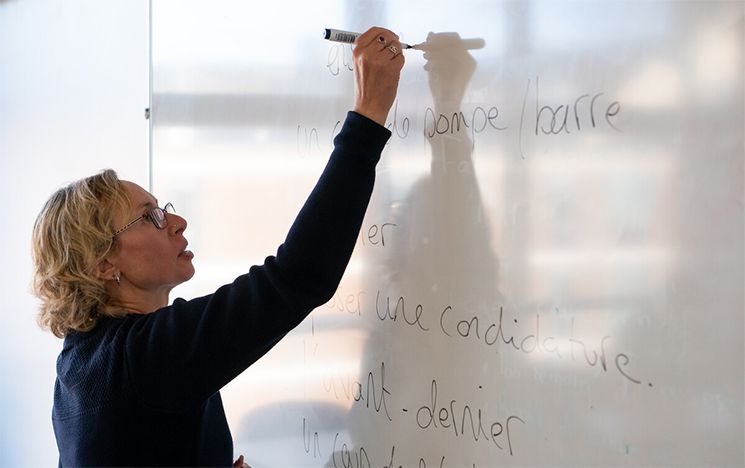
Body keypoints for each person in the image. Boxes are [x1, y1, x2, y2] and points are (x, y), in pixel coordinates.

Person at [31, 27, 405, 467]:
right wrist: (368, 117)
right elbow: (297, 277)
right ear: (102, 264)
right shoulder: (144, 358)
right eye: (150, 216)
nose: (176, 221)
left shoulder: (79, 364)